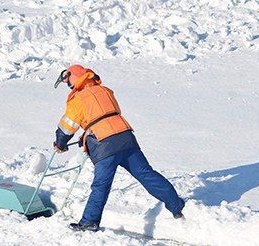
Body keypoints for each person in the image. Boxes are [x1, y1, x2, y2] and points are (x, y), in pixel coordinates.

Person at [53, 64, 185, 232]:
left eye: (68, 83)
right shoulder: (106, 91)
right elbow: (105, 116)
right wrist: (86, 135)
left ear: (74, 79)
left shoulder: (78, 100)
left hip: (104, 145)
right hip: (125, 137)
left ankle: (89, 222)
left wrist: (60, 143)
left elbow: (67, 127)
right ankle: (176, 205)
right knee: (146, 173)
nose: (68, 86)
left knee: (101, 185)